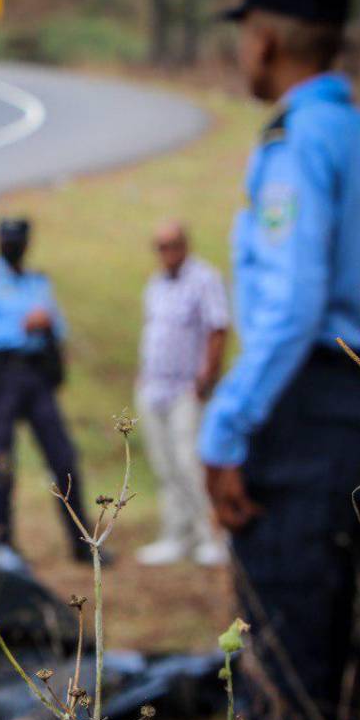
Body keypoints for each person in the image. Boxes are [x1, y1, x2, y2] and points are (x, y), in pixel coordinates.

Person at [201, 0, 360, 720]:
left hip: (299, 407)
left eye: (245, 31)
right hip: (359, 405)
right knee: (336, 646)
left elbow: (289, 309)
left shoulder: (296, 144)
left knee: (280, 665)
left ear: (265, 41)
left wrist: (225, 430)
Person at [0, 218, 91, 562]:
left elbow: (58, 327)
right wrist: (21, 327)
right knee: (1, 461)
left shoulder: (37, 282)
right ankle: (2, 545)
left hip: (37, 378)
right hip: (1, 377)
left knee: (63, 459)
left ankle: (82, 541)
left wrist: (45, 326)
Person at [135, 220, 230, 567]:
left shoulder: (204, 279)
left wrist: (206, 378)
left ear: (186, 244)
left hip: (186, 388)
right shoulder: (155, 284)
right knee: (166, 465)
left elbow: (218, 327)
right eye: (160, 246)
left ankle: (214, 535)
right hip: (153, 387)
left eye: (172, 244)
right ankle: (177, 534)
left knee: (190, 462)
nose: (167, 252)